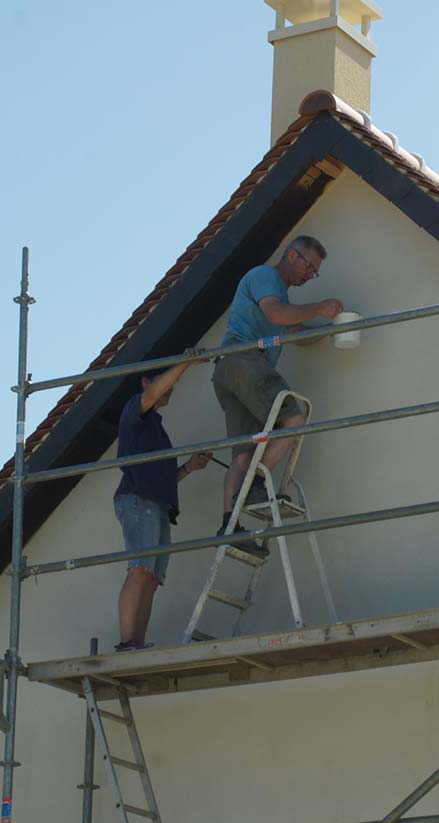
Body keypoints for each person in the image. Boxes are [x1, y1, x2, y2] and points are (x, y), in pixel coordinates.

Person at [212, 235, 344, 547]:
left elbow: (295, 331)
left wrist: (330, 330)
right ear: (293, 255)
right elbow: (277, 315)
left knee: (244, 451)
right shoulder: (264, 277)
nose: (310, 275)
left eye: (315, 272)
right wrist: (320, 308)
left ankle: (229, 526)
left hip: (229, 368)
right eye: (309, 267)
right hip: (245, 359)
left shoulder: (278, 295)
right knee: (294, 419)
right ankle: (256, 484)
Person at [113, 353, 213, 651]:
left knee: (152, 577)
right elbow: (152, 394)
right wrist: (185, 363)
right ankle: (127, 643)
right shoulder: (135, 411)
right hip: (138, 501)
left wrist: (189, 468)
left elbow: (162, 480)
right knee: (140, 570)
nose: (171, 389)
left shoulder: (155, 427)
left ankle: (136, 643)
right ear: (146, 382)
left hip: (155, 504)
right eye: (165, 381)